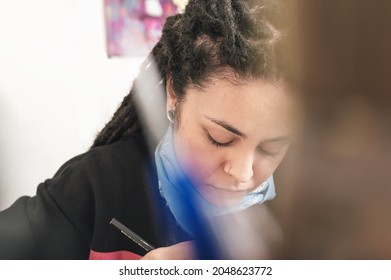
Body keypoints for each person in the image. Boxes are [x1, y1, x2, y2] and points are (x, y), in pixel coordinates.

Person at [0, 0, 295, 260]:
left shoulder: (315, 210)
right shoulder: (94, 190)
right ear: (173, 93)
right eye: (219, 139)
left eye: (271, 148)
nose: (243, 175)